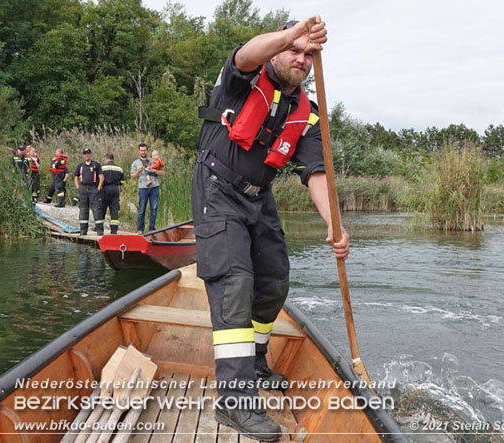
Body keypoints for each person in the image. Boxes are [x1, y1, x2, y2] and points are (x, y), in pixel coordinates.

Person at [192, 16, 349, 441]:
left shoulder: (309, 115)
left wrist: (334, 224)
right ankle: (235, 401)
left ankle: (256, 359)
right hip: (217, 189)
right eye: (293, 50)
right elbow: (245, 54)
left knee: (274, 282)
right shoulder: (241, 80)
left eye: (307, 55)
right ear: (278, 48)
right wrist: (291, 34)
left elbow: (316, 174)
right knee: (235, 284)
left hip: (259, 197)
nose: (299, 59)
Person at [130, 143, 164, 233]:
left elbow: (162, 173)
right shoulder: (135, 163)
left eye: (144, 150)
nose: (143, 152)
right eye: (141, 150)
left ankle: (152, 229)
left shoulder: (154, 160)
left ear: (147, 151)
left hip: (154, 187)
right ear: (139, 151)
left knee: (154, 208)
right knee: (142, 209)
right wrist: (139, 171)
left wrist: (154, 170)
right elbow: (132, 176)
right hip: (143, 188)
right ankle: (140, 229)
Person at [74, 148, 104, 235]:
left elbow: (101, 176)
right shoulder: (80, 165)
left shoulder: (96, 164)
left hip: (93, 188)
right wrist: (78, 187)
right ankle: (83, 231)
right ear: (83, 155)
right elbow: (76, 177)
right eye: (85, 153)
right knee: (83, 210)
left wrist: (98, 187)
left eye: (88, 153)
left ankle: (100, 231)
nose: (86, 155)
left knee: (96, 210)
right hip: (83, 189)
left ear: (90, 154)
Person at [100, 153, 125, 234]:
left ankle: (100, 229)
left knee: (102, 208)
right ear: (113, 158)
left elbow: (99, 179)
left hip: (105, 188)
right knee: (114, 209)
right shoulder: (119, 168)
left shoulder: (102, 168)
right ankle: (114, 230)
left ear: (106, 158)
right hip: (115, 189)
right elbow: (122, 181)